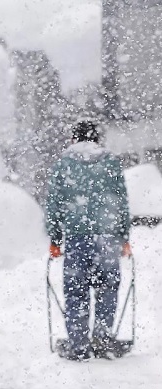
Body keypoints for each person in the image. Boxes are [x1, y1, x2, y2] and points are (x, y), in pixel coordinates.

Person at [45, 120, 132, 361]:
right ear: (97, 139)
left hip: (76, 238)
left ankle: (79, 345)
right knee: (107, 290)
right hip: (107, 238)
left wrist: (55, 238)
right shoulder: (111, 163)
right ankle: (103, 341)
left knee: (76, 292)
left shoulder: (64, 165)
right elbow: (121, 202)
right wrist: (123, 237)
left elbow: (54, 204)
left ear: (74, 139)